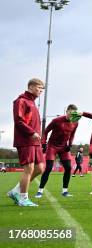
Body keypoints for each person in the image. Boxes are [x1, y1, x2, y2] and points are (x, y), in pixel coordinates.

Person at [6, 78, 45, 207]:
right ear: (31, 87)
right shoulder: (21, 101)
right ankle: (23, 198)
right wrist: (32, 132)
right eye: (39, 88)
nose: (41, 91)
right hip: (25, 140)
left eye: (42, 89)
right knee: (29, 169)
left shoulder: (33, 103)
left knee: (40, 168)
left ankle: (15, 191)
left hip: (35, 141)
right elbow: (19, 120)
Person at [36, 104, 79, 198]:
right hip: (52, 146)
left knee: (68, 167)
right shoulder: (56, 121)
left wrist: (70, 144)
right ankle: (40, 191)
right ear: (66, 111)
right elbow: (46, 131)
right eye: (70, 113)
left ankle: (65, 191)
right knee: (48, 168)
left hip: (64, 147)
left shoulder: (75, 122)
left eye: (74, 114)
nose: (71, 116)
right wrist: (43, 143)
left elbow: (72, 135)